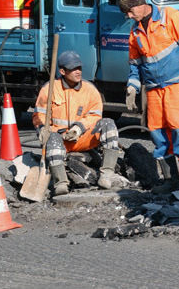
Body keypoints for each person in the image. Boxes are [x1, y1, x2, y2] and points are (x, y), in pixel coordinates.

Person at [117, 0, 179, 194]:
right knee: (158, 134)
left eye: (130, 12)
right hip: (154, 91)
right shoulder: (135, 31)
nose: (129, 16)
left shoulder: (169, 16)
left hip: (176, 86)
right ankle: (171, 181)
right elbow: (135, 64)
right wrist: (132, 86)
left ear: (139, 4)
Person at [33, 50, 122, 196]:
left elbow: (95, 115)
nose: (78, 71)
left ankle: (106, 174)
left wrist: (79, 128)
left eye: (79, 68)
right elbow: (39, 115)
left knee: (108, 124)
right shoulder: (49, 89)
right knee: (51, 137)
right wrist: (42, 129)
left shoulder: (89, 89)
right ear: (62, 71)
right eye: (73, 69)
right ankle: (61, 182)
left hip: (83, 138)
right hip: (60, 140)